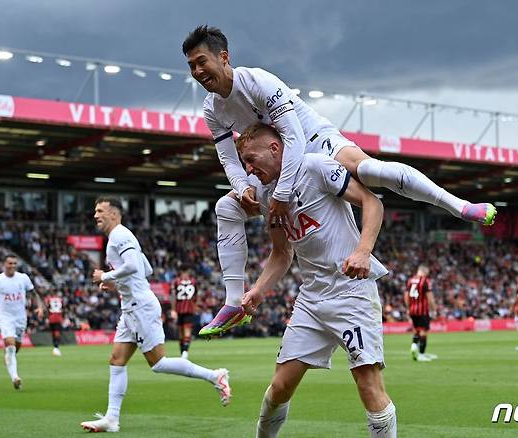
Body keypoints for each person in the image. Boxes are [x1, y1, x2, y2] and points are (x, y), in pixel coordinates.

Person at [181, 25, 497, 337]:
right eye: (191, 65)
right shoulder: (213, 109)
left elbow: (293, 136)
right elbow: (228, 158)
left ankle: (460, 206)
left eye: (201, 61)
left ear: (224, 57)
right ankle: (234, 301)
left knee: (372, 172)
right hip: (276, 160)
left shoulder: (259, 82)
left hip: (315, 141)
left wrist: (282, 191)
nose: (197, 71)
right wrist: (243, 187)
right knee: (227, 207)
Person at [238, 123, 397, 438]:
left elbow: (372, 202)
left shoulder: (315, 166)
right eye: (244, 162)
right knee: (280, 385)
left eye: (251, 159)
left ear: (275, 148)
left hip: (351, 294)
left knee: (368, 385)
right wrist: (257, 289)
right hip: (311, 300)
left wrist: (364, 251)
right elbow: (281, 254)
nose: (248, 168)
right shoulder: (270, 197)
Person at [80, 197, 231, 433]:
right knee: (117, 361)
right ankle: (111, 418)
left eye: (100, 210)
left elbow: (131, 266)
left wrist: (105, 277)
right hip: (130, 307)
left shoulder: (120, 235)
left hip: (140, 307)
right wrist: (117, 283)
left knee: (158, 363)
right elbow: (146, 269)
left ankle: (215, 375)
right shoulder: (120, 237)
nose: (95, 215)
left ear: (114, 214)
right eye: (95, 210)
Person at [0, 254, 44, 389]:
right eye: (10, 263)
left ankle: (9, 358)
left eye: (15, 263)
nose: (13, 266)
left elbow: (34, 293)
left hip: (21, 318)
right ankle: (15, 378)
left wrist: (39, 307)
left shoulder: (23, 278)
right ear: (4, 264)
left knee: (16, 347)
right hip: (5, 318)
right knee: (10, 345)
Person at [403, 265, 437, 362]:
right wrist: (434, 309)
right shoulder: (425, 281)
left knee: (416, 330)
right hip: (422, 310)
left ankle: (414, 346)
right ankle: (421, 354)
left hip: (412, 310)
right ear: (425, 272)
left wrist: (408, 307)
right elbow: (429, 297)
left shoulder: (410, 280)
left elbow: (406, 295)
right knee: (423, 331)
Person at [170, 265, 199, 359]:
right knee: (181, 333)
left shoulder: (175, 282)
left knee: (185, 331)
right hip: (183, 310)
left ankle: (184, 352)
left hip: (184, 310)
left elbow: (173, 296)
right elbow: (196, 296)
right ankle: (183, 352)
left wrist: (173, 309)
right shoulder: (193, 281)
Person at [44, 290, 64, 356]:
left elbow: (47, 308)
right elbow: (63, 308)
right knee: (57, 332)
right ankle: (56, 347)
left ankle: (55, 347)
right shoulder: (60, 299)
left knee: (53, 332)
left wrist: (47, 317)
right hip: (58, 316)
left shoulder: (49, 299)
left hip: (52, 316)